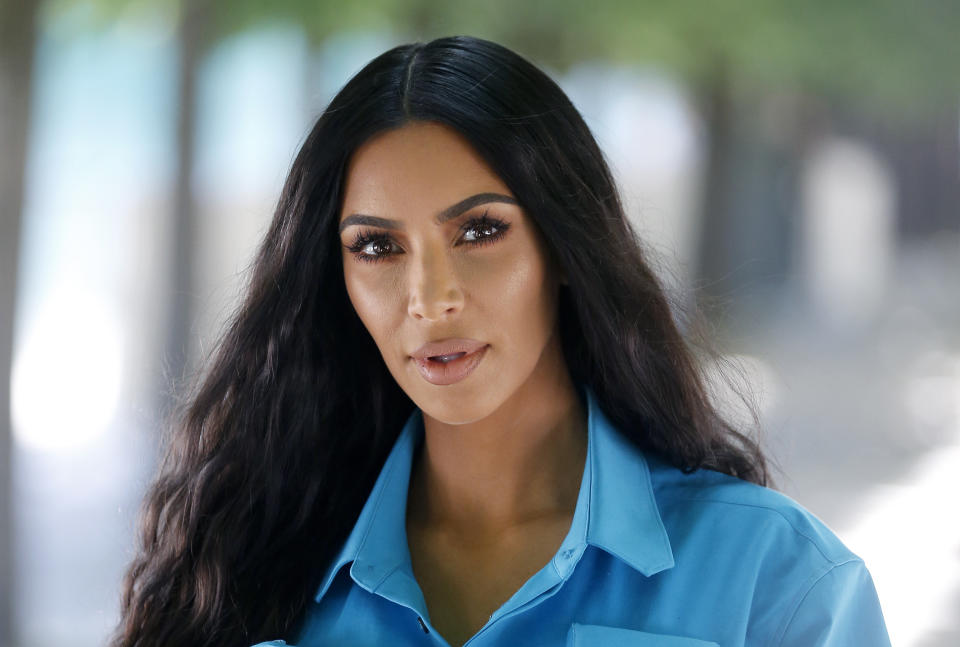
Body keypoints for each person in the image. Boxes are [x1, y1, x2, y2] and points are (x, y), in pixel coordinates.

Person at [111, 35, 891, 647]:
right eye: (378, 247)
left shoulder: (776, 579)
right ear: (336, 279)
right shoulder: (244, 566)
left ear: (563, 246)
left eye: (480, 230)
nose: (431, 298)